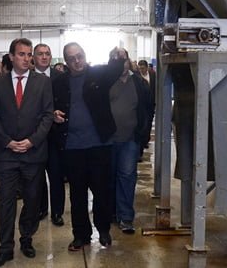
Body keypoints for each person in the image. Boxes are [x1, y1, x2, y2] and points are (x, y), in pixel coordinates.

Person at [51, 43, 125, 251]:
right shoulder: (59, 83)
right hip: (73, 147)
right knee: (77, 194)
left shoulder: (98, 75)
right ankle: (80, 235)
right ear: (65, 62)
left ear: (85, 55)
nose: (77, 61)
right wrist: (54, 114)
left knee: (102, 191)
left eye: (80, 56)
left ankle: (103, 230)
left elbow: (115, 70)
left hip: (99, 144)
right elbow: (51, 106)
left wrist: (118, 57)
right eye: (72, 58)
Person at [0, 38, 54, 267]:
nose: (27, 58)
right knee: (6, 202)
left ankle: (27, 238)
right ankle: (5, 247)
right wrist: (7, 142)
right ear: (12, 56)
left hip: (33, 154)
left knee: (32, 200)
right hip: (7, 155)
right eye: (22, 54)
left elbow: (47, 116)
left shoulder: (42, 83)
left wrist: (32, 141)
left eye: (29, 55)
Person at [109, 50, 153, 234]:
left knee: (127, 176)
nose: (120, 63)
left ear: (129, 61)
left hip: (130, 139)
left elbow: (148, 109)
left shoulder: (139, 83)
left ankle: (126, 217)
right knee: (108, 177)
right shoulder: (104, 82)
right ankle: (111, 213)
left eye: (123, 59)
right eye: (115, 59)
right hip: (107, 140)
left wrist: (142, 135)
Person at [33, 43, 65, 227]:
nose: (44, 57)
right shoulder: (28, 78)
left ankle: (58, 212)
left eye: (47, 54)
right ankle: (41, 208)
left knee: (56, 175)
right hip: (36, 135)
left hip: (55, 135)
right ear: (34, 57)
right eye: (40, 54)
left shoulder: (60, 77)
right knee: (37, 176)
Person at [137, 60, 156, 158]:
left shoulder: (153, 75)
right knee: (143, 123)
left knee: (148, 122)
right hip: (141, 105)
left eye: (143, 68)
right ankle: (143, 141)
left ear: (146, 67)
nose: (141, 70)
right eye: (139, 68)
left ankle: (146, 139)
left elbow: (156, 88)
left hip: (151, 104)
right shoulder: (137, 77)